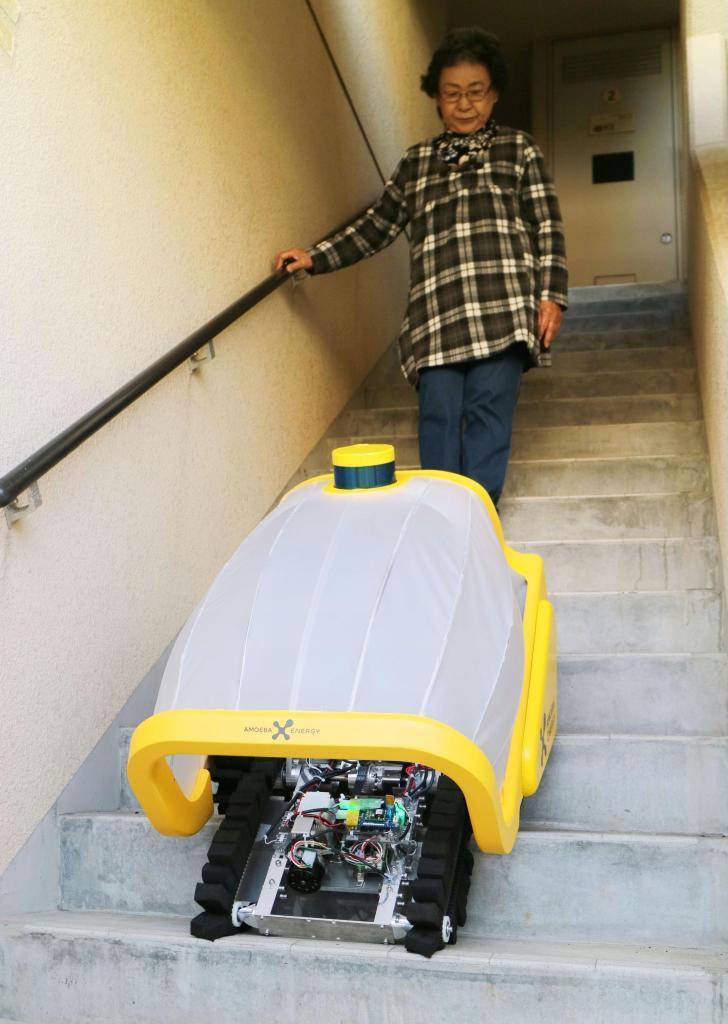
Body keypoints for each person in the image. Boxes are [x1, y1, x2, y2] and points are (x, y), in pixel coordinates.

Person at [276, 27, 568, 507]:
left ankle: (477, 518)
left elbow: (547, 227)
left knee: (489, 411)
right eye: (452, 93)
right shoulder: (416, 163)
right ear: (436, 97)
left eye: (476, 91)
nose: (465, 104)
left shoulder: (519, 151)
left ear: (494, 93)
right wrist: (316, 256)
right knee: (438, 417)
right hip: (436, 316)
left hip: (503, 307)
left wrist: (551, 294)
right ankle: (440, 517)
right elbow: (378, 225)